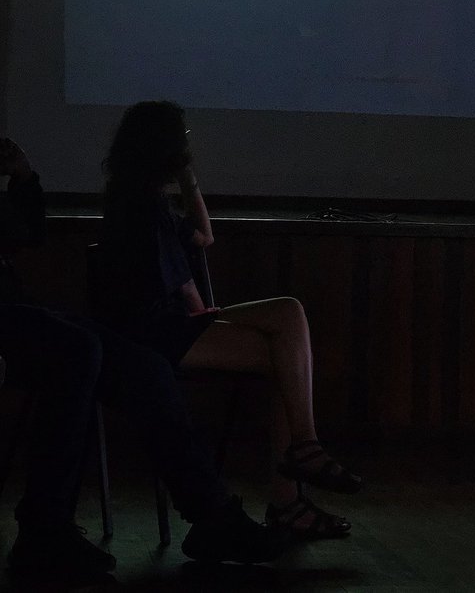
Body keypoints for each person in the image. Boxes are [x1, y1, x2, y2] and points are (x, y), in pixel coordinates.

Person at [0, 134, 288, 583]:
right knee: (79, 350)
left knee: (147, 368)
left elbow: (27, 234)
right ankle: (44, 528)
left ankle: (213, 516)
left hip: (14, 306)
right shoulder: (138, 210)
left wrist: (22, 177)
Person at [96, 101, 361, 542]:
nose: (188, 146)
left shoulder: (147, 196)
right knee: (284, 351)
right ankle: (292, 488)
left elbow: (204, 236)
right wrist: (204, 313)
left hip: (171, 324)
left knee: (288, 316)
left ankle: (303, 454)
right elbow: (178, 283)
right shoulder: (137, 203)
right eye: (182, 139)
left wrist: (188, 180)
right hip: (152, 333)